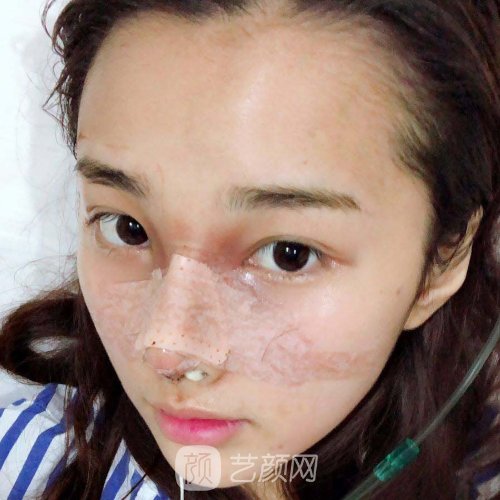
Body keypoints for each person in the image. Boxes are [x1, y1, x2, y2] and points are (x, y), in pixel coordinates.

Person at [0, 0, 498, 498]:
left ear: (442, 261)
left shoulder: (475, 466)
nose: (167, 350)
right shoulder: (28, 463)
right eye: (128, 229)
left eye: (288, 254)